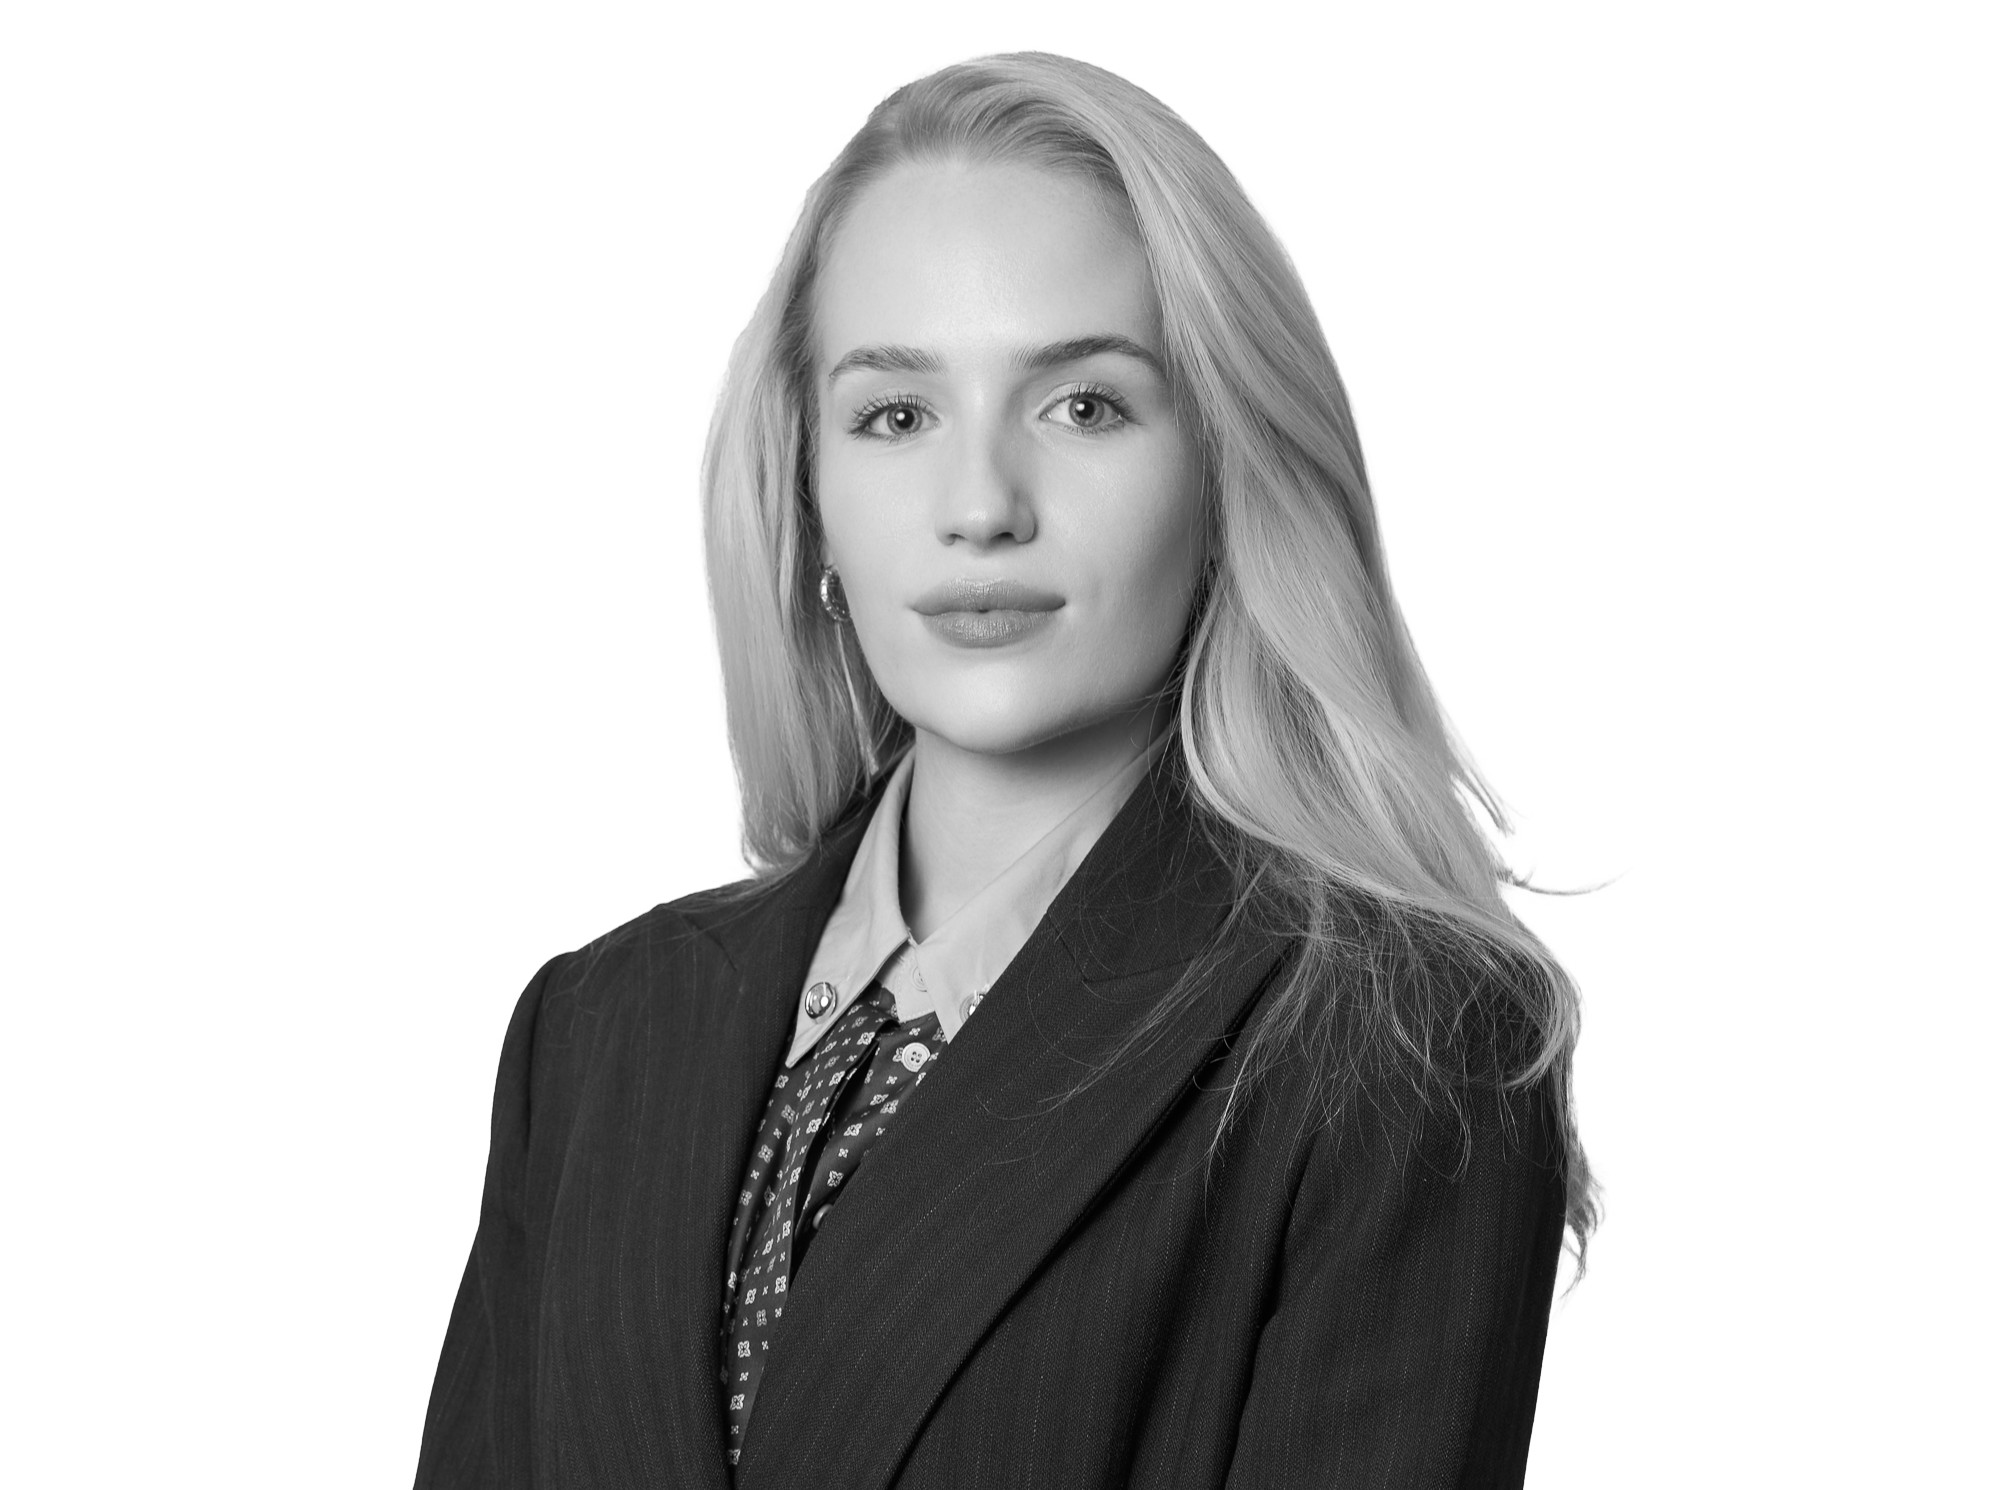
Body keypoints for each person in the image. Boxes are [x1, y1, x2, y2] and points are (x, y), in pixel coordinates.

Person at [415, 50, 1596, 1490]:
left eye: (1083, 405)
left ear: (1225, 468)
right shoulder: (598, 1028)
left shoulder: (1395, 1043)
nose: (979, 507)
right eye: (895, 415)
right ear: (806, 485)